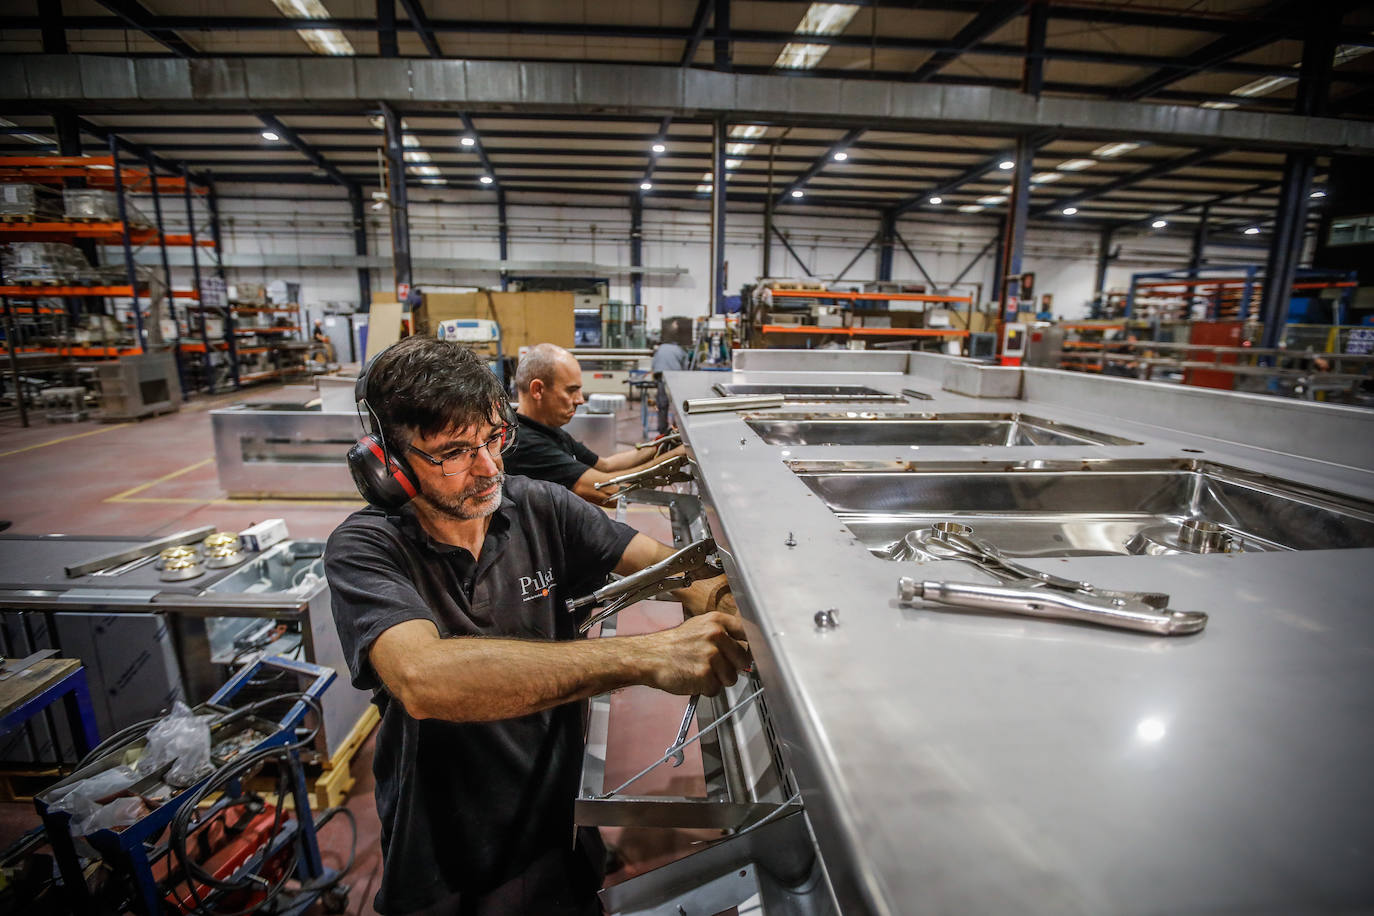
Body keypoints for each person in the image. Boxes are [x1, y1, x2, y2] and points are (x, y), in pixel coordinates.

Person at [325, 336, 747, 916]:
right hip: (448, 854)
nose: (488, 467)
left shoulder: (539, 506)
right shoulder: (367, 549)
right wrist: (645, 656)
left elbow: (680, 573)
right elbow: (425, 679)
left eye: (494, 438)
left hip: (557, 823)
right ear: (389, 465)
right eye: (454, 452)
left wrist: (726, 601)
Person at [505, 343, 685, 505]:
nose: (581, 400)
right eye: (571, 390)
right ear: (537, 390)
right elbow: (608, 491)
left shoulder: (547, 429)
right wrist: (674, 457)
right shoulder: (526, 444)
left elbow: (606, 465)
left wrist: (661, 445)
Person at [651, 339, 691, 435]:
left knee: (662, 404)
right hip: (674, 377)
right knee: (677, 404)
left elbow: (653, 365)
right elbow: (686, 368)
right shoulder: (680, 350)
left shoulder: (661, 348)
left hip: (660, 376)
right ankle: (676, 430)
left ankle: (662, 430)